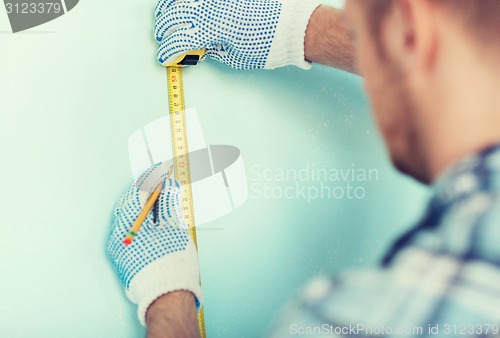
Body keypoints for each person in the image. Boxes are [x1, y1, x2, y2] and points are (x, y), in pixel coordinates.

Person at [107, 0, 500, 337]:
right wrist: (303, 30)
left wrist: (169, 299)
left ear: (411, 32)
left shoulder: (355, 321)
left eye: (360, 31)